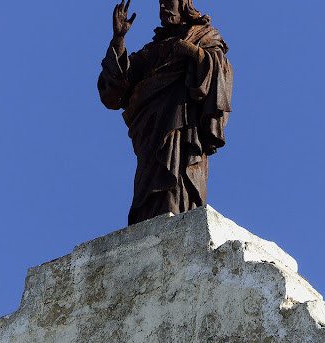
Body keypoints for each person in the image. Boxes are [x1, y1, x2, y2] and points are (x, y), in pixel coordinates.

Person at [98, 0, 233, 225]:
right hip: (150, 132)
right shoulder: (154, 50)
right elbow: (117, 89)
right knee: (149, 181)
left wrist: (191, 51)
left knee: (179, 179)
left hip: (183, 126)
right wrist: (119, 39)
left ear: (184, 4)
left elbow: (220, 69)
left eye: (168, 1)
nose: (163, 7)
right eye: (160, 3)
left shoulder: (205, 36)